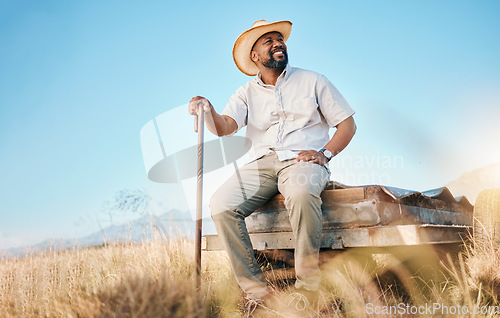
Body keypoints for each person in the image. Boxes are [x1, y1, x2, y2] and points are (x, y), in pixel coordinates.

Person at [188, 20, 356, 306]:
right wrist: (208, 110)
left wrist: (324, 154)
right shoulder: (245, 93)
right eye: (269, 41)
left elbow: (347, 125)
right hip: (263, 162)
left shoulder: (314, 80)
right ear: (255, 56)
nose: (278, 43)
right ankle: (257, 293)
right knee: (221, 205)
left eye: (280, 39)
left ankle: (307, 288)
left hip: (302, 160)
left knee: (302, 193)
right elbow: (225, 126)